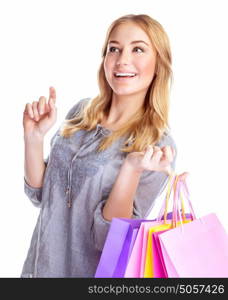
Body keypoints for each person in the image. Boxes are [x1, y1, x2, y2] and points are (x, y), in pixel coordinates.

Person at [21, 14, 182, 278]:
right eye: (114, 49)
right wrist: (33, 137)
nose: (122, 60)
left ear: (159, 64)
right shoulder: (81, 112)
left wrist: (131, 168)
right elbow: (39, 195)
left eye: (138, 49)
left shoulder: (156, 144)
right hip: (38, 272)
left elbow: (111, 240)